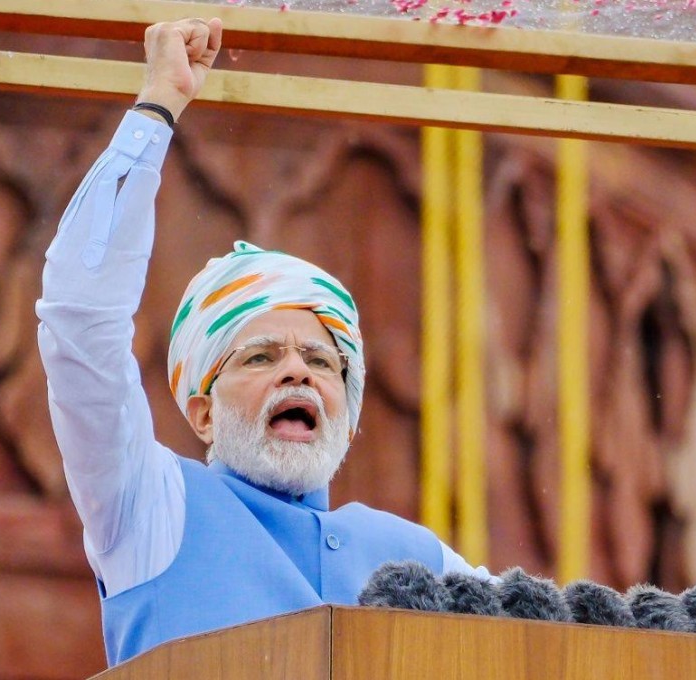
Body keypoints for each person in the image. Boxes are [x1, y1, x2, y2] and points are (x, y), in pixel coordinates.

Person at [36, 17, 487, 666]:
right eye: (261, 356)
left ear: (349, 416)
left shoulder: (417, 561)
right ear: (202, 410)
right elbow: (80, 321)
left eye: (321, 361)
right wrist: (159, 103)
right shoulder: (150, 509)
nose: (298, 373)